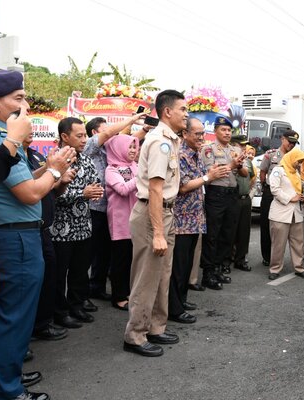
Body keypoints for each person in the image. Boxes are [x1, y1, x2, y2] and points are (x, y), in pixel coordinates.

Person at [0, 70, 74, 400]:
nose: (25, 105)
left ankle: (8, 375)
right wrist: (56, 171)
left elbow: (18, 181)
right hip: (13, 238)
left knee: (13, 315)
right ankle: (5, 390)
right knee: (12, 317)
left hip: (12, 236)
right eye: (18, 98)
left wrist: (49, 167)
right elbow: (30, 194)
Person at [123, 89, 187, 357]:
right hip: (153, 213)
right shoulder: (160, 141)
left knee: (162, 275)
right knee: (146, 278)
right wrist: (158, 232)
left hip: (165, 213)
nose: (186, 114)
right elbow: (155, 190)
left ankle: (156, 328)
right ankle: (135, 335)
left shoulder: (171, 140)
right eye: (182, 109)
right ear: (167, 111)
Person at [168, 118, 228, 323]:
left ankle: (181, 300)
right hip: (182, 221)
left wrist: (209, 175)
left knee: (186, 267)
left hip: (195, 218)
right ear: (185, 134)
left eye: (203, 133)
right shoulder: (181, 154)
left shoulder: (196, 154)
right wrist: (208, 178)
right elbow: (183, 186)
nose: (202, 137)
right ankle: (174, 309)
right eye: (197, 134)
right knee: (178, 267)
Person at [84, 115, 147, 302]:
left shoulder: (112, 151)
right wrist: (133, 118)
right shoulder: (92, 147)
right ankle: (84, 294)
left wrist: (144, 129)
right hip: (95, 207)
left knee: (105, 253)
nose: (113, 132)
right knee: (90, 253)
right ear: (96, 133)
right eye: (107, 129)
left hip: (110, 209)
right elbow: (115, 136)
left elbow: (127, 143)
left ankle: (98, 288)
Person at [50, 117, 104, 327]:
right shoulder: (55, 160)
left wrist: (93, 190)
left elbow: (95, 183)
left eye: (85, 135)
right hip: (61, 229)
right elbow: (52, 192)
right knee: (59, 274)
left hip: (83, 226)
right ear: (65, 136)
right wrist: (83, 193)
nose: (84, 140)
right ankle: (59, 312)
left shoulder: (86, 159)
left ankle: (76, 306)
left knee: (80, 271)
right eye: (79, 136)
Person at [24, 133, 77, 341]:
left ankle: (43, 324)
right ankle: (26, 332)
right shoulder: (15, 160)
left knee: (48, 278)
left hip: (43, 228)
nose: (29, 129)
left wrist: (61, 181)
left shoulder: (38, 157)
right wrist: (52, 171)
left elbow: (53, 191)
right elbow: (28, 189)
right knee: (26, 285)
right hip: (25, 229)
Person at [199, 117, 248, 290]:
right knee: (212, 235)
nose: (227, 133)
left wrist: (239, 165)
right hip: (216, 195)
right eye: (223, 130)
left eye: (229, 130)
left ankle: (218, 268)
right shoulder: (208, 150)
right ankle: (208, 273)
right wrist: (232, 164)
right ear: (216, 131)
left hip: (232, 195)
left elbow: (244, 173)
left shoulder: (235, 149)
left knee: (227, 235)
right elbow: (212, 172)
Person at [104, 134, 139, 311]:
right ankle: (118, 296)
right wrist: (143, 176)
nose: (133, 150)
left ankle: (128, 293)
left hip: (136, 220)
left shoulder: (135, 166)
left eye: (134, 147)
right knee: (120, 260)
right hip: (120, 221)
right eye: (129, 147)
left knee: (132, 259)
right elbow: (123, 189)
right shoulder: (111, 169)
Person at [267, 147, 304, 280]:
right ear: (292, 158)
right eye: (298, 160)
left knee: (298, 243)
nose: (299, 163)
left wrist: (302, 197)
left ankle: (299, 267)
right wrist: (291, 198)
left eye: (301, 161)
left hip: (296, 213)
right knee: (278, 244)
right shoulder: (278, 170)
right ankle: (274, 269)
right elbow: (274, 189)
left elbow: (296, 191)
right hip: (280, 213)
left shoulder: (296, 173)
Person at [258, 130, 298, 266]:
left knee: (285, 228)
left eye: (294, 143)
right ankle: (267, 257)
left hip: (288, 195)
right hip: (270, 193)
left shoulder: (295, 157)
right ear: (282, 139)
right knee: (266, 225)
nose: (291, 145)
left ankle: (279, 257)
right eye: (289, 141)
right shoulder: (271, 155)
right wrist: (265, 187)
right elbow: (262, 172)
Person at [227, 134, 254, 272]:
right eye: (241, 145)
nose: (244, 147)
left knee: (244, 231)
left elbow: (250, 176)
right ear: (233, 145)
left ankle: (240, 259)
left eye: (245, 145)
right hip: (233, 198)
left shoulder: (247, 160)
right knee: (230, 231)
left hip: (245, 198)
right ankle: (226, 261)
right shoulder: (229, 159)